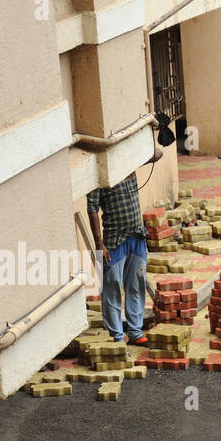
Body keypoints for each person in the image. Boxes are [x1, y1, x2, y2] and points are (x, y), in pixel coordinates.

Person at [87, 146, 163, 345]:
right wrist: (99, 244)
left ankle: (136, 333)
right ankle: (118, 337)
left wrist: (138, 141)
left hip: (137, 236)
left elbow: (157, 154)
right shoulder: (97, 175)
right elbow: (92, 209)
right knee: (112, 288)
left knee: (136, 285)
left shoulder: (128, 162)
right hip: (113, 241)